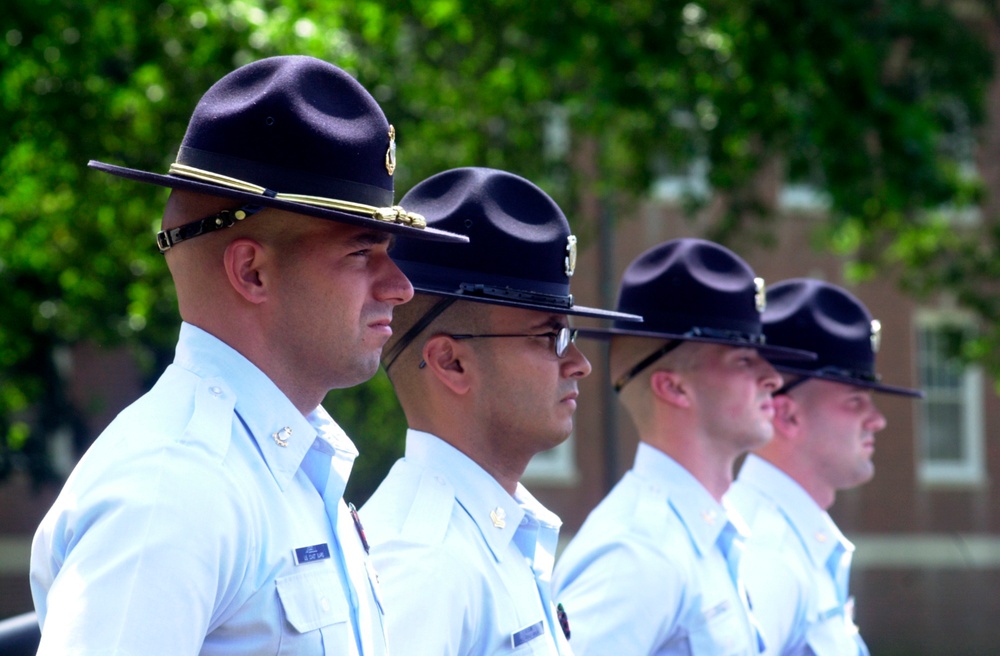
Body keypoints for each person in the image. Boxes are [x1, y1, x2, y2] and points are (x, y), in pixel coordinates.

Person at [29, 55, 466, 655]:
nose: (401, 287)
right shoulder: (172, 489)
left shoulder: (281, 471)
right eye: (362, 252)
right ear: (252, 271)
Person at [359, 167, 641, 655]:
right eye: (550, 336)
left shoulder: (493, 535)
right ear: (452, 362)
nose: (579, 364)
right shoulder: (424, 563)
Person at [552, 238, 815, 655]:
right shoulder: (637, 553)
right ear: (674, 387)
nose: (773, 378)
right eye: (744, 360)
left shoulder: (701, 535)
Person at [726, 278, 923, 655]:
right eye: (854, 401)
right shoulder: (766, 554)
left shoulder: (790, 539)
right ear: (786, 414)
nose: (876, 420)